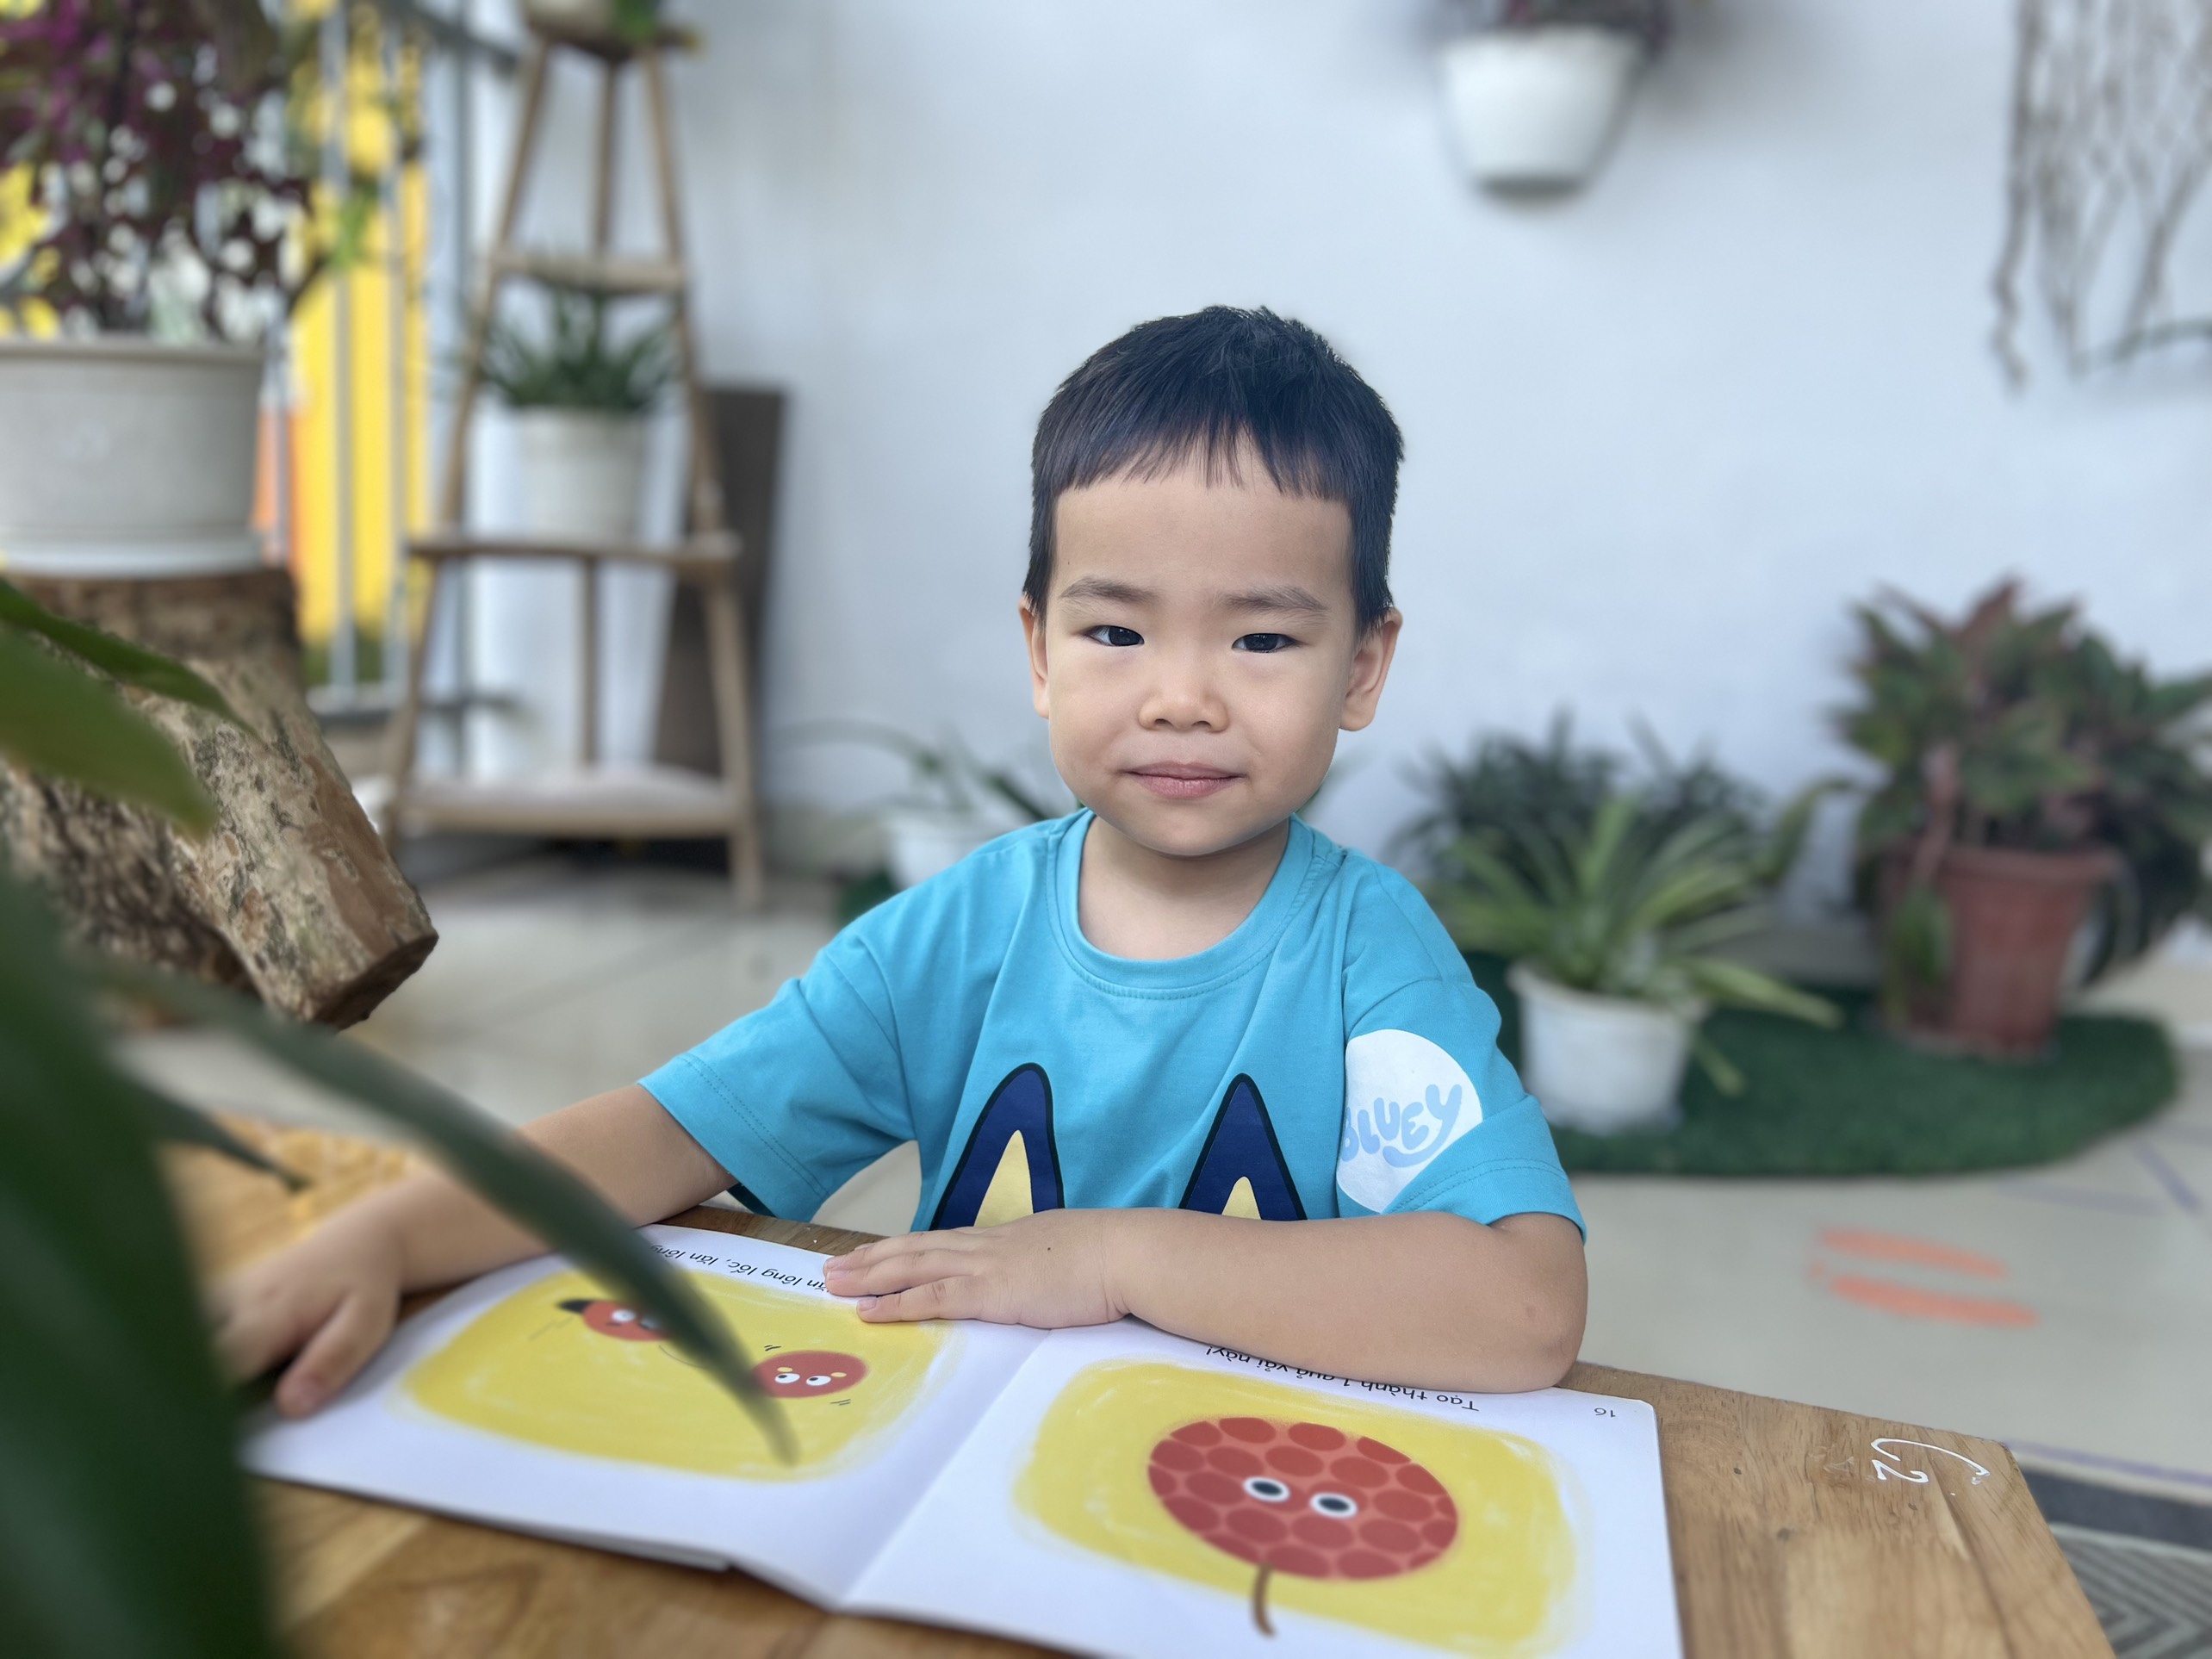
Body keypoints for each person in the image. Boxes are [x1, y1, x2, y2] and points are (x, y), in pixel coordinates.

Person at [214, 307, 1588, 1418]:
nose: (1182, 697)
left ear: (1363, 666)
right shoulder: (958, 934)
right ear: (1039, 649)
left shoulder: (1370, 957)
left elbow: (1526, 1305)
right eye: (1116, 632)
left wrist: (1112, 1255)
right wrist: (388, 1237)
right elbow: (661, 1132)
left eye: (1262, 638)